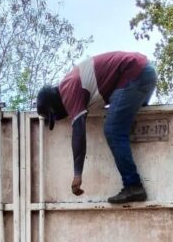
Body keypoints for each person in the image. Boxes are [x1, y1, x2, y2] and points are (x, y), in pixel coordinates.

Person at [35, 52, 158, 204]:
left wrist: (77, 174)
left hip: (134, 74)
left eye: (56, 117)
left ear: (53, 108)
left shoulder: (68, 89)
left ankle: (133, 185)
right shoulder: (71, 84)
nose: (62, 118)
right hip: (144, 73)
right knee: (121, 120)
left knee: (113, 129)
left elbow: (79, 132)